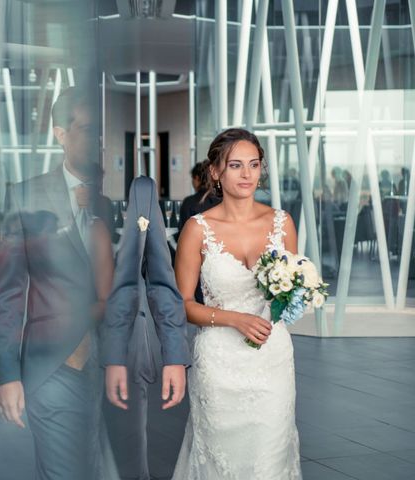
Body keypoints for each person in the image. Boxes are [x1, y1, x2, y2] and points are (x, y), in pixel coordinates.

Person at [0, 87, 118, 480]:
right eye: (86, 128)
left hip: (101, 364)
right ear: (61, 134)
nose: (96, 139)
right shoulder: (26, 195)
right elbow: (7, 293)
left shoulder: (104, 204)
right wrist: (7, 374)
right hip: (52, 365)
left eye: (100, 131)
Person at [172, 128, 302, 479]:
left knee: (269, 460)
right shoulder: (197, 229)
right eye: (235, 165)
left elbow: (290, 291)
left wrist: (295, 297)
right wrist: (234, 319)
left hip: (272, 359)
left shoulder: (282, 223)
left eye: (254, 164)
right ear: (215, 171)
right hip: (218, 365)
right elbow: (182, 304)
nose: (247, 174)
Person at [102, 176, 190, 479]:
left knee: (127, 451)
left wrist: (174, 356)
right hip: (59, 355)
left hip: (122, 347)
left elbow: (158, 284)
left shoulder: (141, 195)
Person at [176, 160, 220, 236]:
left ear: (196, 178)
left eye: (192, 179)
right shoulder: (223, 200)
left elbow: (182, 233)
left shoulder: (189, 202)